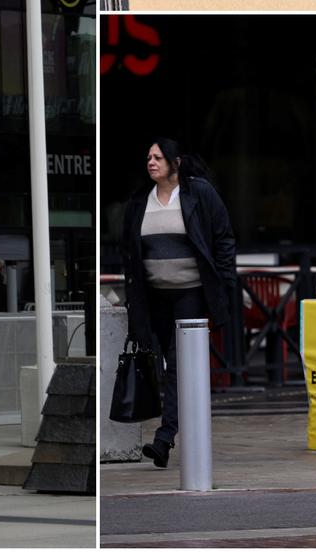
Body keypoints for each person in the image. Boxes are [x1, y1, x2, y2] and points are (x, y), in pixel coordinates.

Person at [119, 137, 238, 469]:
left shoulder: (199, 193)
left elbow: (224, 237)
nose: (151, 162)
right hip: (152, 296)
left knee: (177, 366)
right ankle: (167, 428)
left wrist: (224, 283)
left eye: (158, 157)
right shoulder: (140, 200)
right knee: (155, 364)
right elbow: (128, 249)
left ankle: (164, 437)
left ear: (176, 162)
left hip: (190, 294)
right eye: (148, 157)